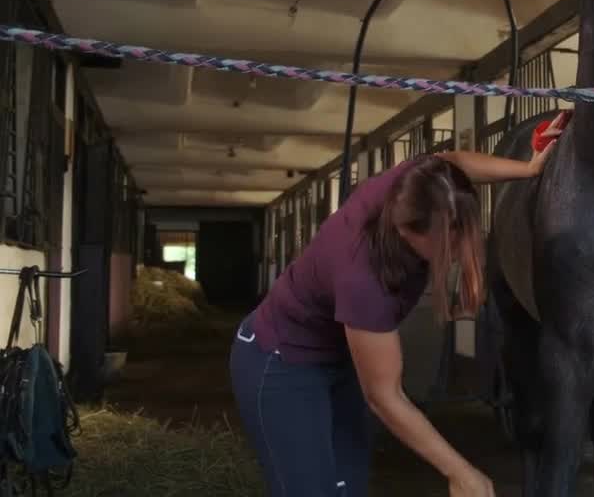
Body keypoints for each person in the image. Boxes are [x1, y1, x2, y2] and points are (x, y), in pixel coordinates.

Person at [228, 116, 566, 497]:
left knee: (348, 484)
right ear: (407, 231)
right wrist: (459, 471)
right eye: (444, 245)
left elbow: (455, 162)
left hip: (339, 360)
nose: (455, 253)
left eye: (461, 237)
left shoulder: (416, 184)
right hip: (280, 361)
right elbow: (385, 396)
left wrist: (529, 168)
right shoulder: (363, 278)